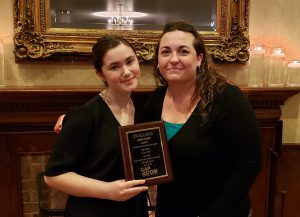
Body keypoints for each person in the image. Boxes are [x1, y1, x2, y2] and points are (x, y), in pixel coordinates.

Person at [142, 21, 262, 217]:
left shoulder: (227, 97)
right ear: (157, 61)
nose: (173, 59)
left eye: (183, 51)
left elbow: (249, 165)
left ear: (199, 59)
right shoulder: (155, 100)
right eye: (165, 52)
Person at [44, 36, 149, 217]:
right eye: (114, 67)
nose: (126, 71)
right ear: (100, 74)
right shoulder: (84, 116)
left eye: (130, 61)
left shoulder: (145, 111)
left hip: (133, 210)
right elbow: (53, 176)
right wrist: (108, 190)